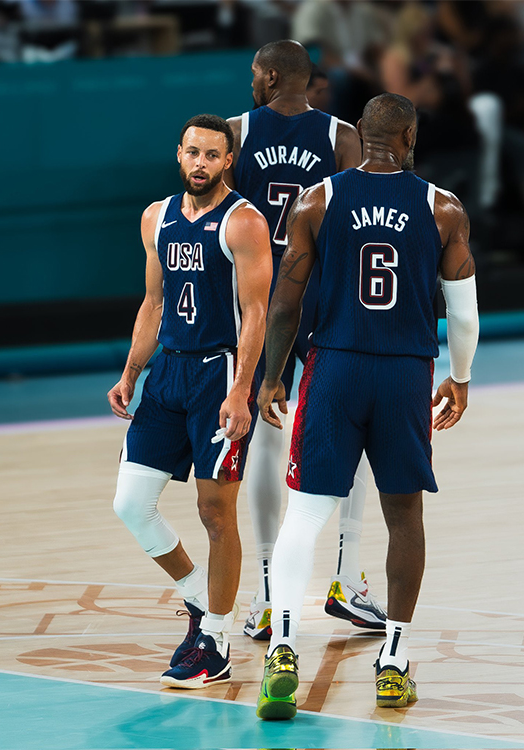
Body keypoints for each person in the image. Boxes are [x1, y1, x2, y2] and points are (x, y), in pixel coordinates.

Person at [255, 93, 479, 719]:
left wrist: (272, 378)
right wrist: (460, 378)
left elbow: (284, 302)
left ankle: (282, 650)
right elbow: (464, 315)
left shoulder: (316, 199)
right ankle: (394, 662)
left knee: (305, 512)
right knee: (404, 516)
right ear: (410, 137)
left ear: (360, 132)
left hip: (334, 368)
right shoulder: (443, 208)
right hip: (405, 372)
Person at [224, 39, 386, 641]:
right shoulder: (343, 136)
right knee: (354, 432)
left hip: (260, 303)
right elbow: (361, 221)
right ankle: (346, 576)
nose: (251, 82)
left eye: (254, 74)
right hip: (325, 299)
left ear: (269, 77)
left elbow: (220, 222)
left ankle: (268, 593)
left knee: (265, 439)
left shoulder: (236, 132)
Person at [107, 114, 272, 689]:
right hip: (168, 374)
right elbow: (153, 303)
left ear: (228, 161)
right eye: (193, 152)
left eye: (212, 155)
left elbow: (256, 313)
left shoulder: (244, 221)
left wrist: (242, 389)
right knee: (131, 504)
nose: (201, 163)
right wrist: (132, 372)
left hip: (217, 374)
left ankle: (217, 643)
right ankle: (202, 599)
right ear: (179, 154)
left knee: (215, 512)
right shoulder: (156, 217)